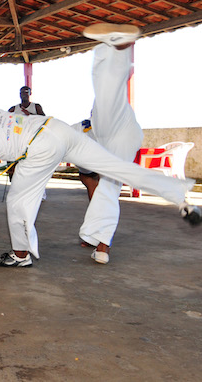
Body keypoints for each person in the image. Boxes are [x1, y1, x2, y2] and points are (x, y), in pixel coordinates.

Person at [0, 108, 202, 268]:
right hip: (56, 128)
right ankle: (178, 195)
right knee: (113, 166)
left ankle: (21, 255)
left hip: (40, 146)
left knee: (17, 202)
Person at [75, 23, 147, 264]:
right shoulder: (91, 122)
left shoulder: (106, 112)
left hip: (122, 138)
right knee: (99, 185)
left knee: (108, 189)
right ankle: (96, 237)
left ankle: (103, 245)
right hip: (118, 136)